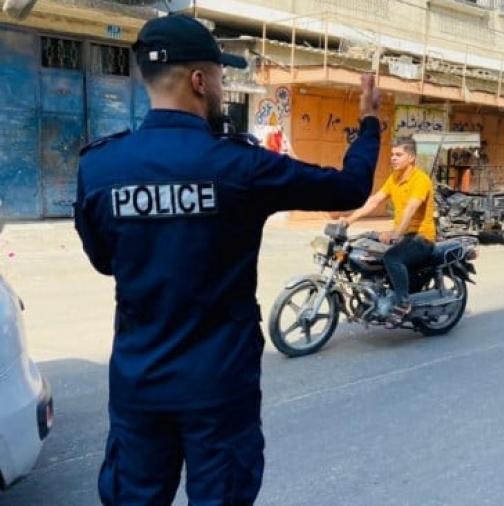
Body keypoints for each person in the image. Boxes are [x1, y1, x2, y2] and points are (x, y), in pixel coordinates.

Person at [73, 14, 381, 505]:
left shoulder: (100, 167)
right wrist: (369, 124)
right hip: (219, 384)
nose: (222, 87)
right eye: (220, 76)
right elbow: (349, 188)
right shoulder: (242, 165)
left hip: (140, 382)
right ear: (199, 81)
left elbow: (104, 261)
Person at [342, 137, 436, 327]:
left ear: (411, 158)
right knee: (367, 249)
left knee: (392, 258)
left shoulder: (421, 180)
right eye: (392, 154)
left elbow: (411, 208)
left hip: (422, 238)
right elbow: (375, 201)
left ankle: (403, 304)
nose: (393, 158)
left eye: (398, 155)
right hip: (405, 235)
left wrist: (396, 234)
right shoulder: (394, 178)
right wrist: (348, 220)